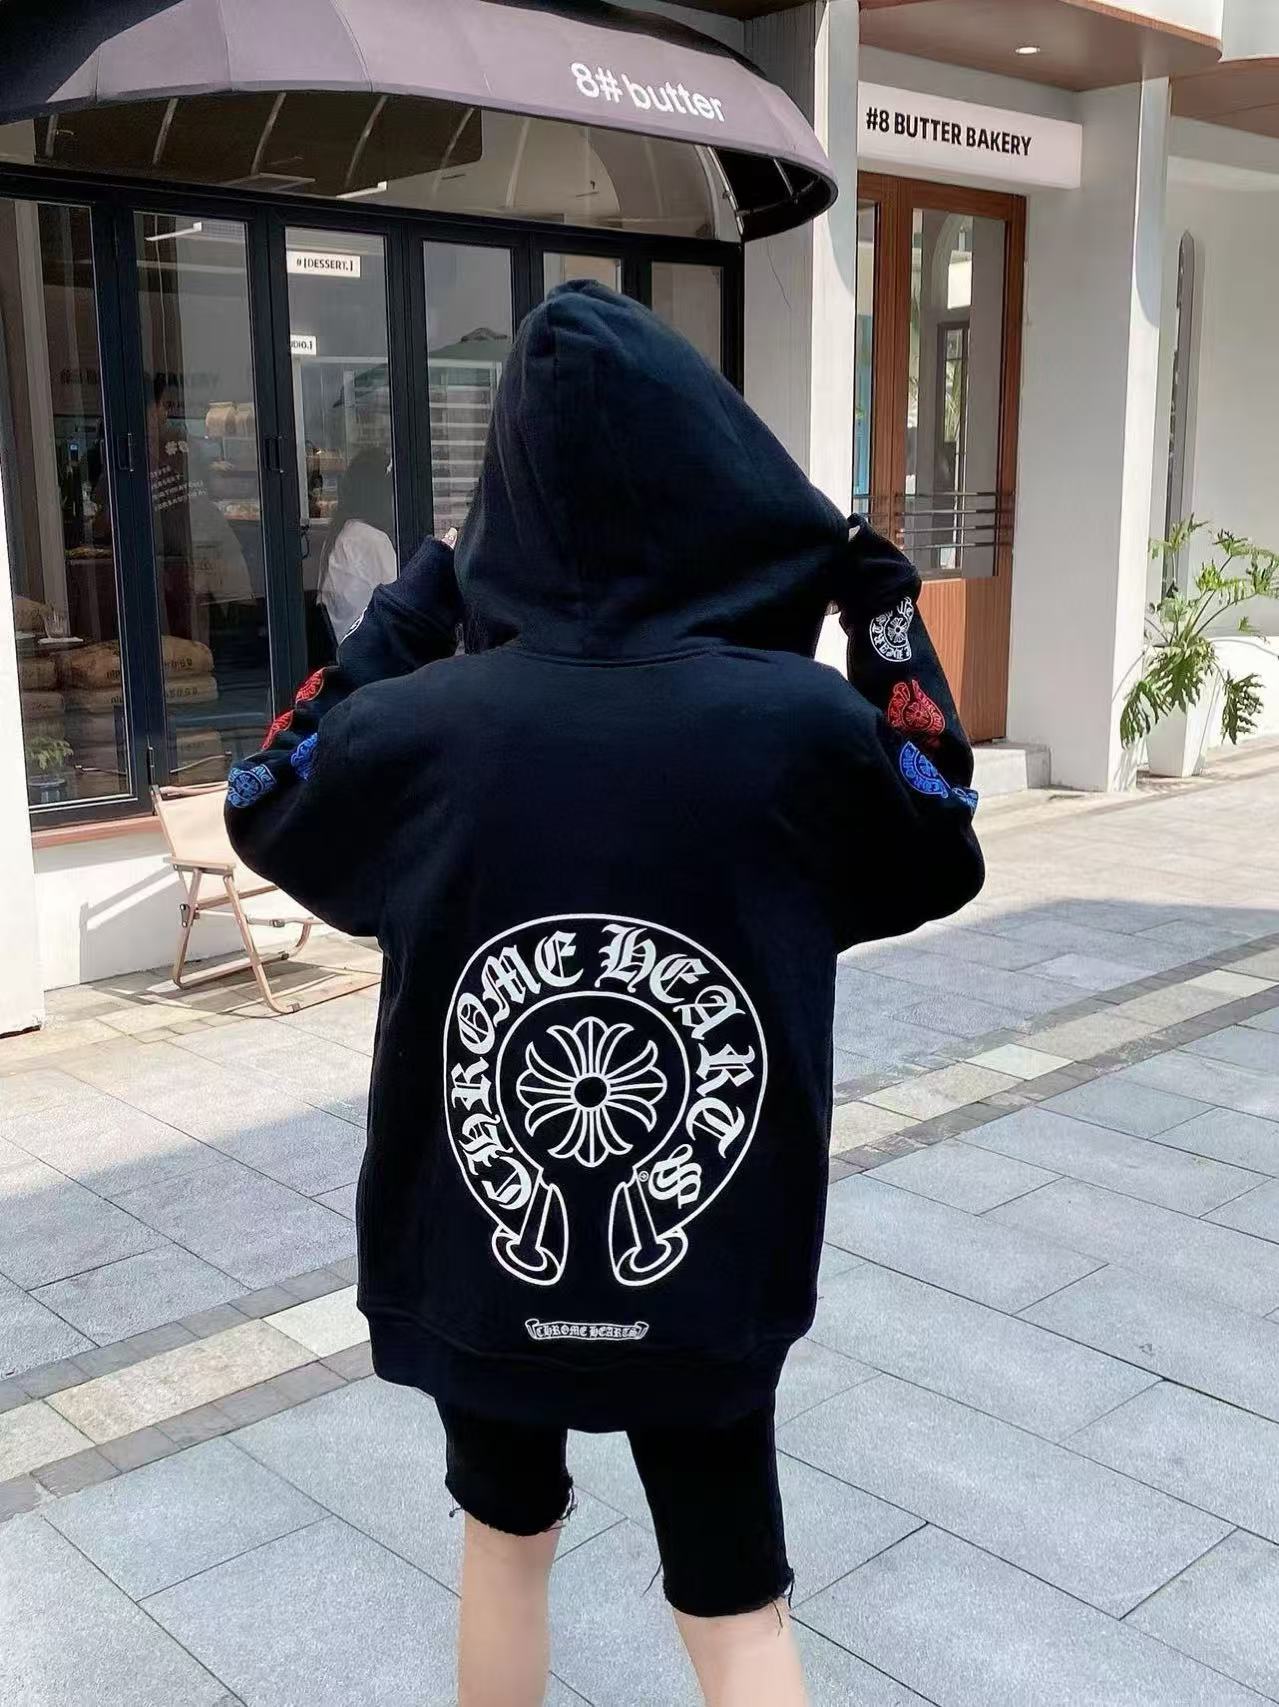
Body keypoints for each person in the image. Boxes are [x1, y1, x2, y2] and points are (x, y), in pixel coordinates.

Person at [226, 283, 984, 1707]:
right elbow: (938, 813)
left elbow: (267, 787)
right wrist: (880, 610)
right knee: (735, 1598)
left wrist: (419, 601)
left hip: (477, 1248)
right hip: (712, 1252)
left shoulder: (424, 731)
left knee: (502, 1548)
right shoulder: (793, 728)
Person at [315, 445, 398, 645]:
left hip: (348, 644)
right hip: (370, 648)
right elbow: (401, 605)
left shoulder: (340, 534)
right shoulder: (372, 540)